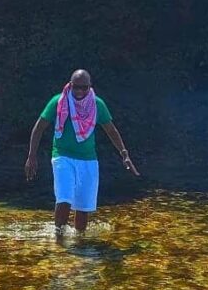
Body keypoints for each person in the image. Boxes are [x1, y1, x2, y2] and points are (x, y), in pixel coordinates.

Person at [24, 69, 139, 232]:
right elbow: (39, 127)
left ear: (89, 87)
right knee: (64, 199)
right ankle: (59, 239)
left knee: (83, 207)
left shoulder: (97, 104)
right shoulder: (59, 101)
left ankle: (79, 242)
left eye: (84, 87)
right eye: (76, 87)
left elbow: (111, 130)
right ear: (70, 85)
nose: (79, 91)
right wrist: (31, 156)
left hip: (88, 160)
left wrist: (124, 154)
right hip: (62, 156)